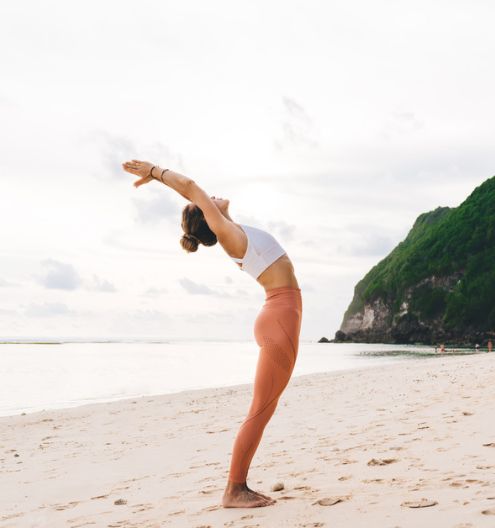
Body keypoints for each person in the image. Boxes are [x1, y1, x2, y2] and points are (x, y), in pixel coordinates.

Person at [122, 160, 303, 508]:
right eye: (203, 202)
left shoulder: (234, 230)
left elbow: (196, 192)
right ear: (206, 217)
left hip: (279, 315)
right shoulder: (227, 235)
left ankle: (237, 486)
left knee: (265, 406)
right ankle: (235, 489)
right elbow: (190, 186)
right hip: (280, 318)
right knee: (261, 409)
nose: (211, 196)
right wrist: (156, 171)